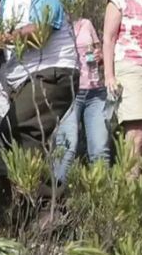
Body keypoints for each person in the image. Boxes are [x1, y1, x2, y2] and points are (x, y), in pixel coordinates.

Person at [0, 0, 78, 167]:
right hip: (26, 77)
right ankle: (37, 202)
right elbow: (8, 34)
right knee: (18, 137)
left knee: (19, 131)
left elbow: (40, 33)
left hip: (51, 71)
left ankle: (41, 204)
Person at [103, 0, 142, 175]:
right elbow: (108, 39)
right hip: (131, 68)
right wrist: (109, 76)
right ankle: (131, 202)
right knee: (136, 135)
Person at [53, 18, 110, 184]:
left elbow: (99, 49)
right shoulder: (54, 25)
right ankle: (56, 200)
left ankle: (103, 202)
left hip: (95, 93)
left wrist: (100, 56)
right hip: (70, 92)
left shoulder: (86, 23)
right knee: (66, 146)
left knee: (100, 149)